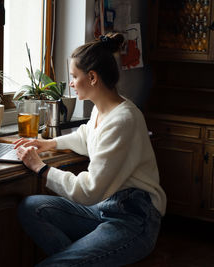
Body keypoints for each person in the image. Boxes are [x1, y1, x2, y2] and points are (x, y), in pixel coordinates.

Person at [14, 33, 166, 267]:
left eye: (74, 76)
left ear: (92, 77)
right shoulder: (102, 110)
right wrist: (50, 144)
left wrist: (40, 168)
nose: (71, 83)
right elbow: (88, 136)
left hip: (134, 218)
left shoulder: (123, 119)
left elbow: (89, 191)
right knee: (31, 208)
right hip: (104, 208)